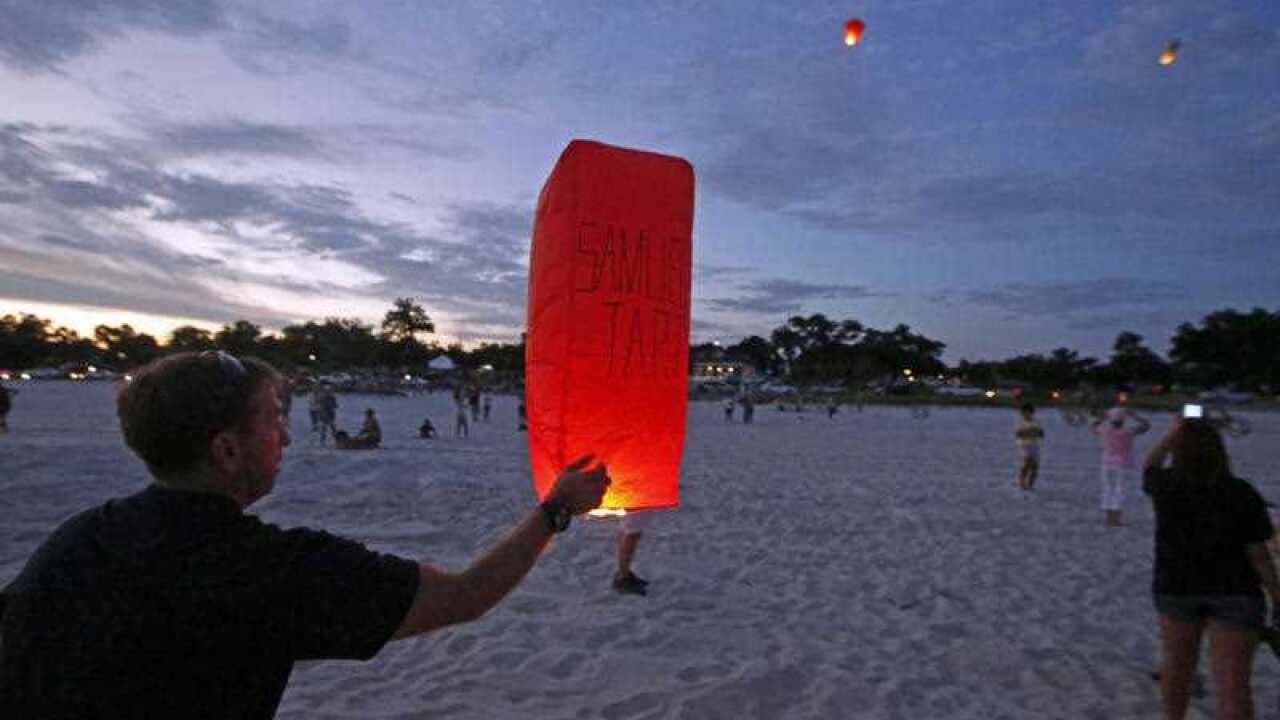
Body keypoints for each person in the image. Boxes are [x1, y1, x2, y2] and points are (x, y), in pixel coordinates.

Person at [0, 351, 610, 718]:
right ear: (227, 449)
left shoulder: (80, 539)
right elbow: (466, 596)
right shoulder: (268, 571)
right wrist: (555, 510)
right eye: (274, 419)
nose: (287, 437)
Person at [1143, 417, 1278, 720]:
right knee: (1233, 684)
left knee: (1177, 666)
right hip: (1236, 591)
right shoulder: (1241, 492)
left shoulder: (1166, 486)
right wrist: (1277, 595)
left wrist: (1172, 434)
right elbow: (1259, 555)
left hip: (1177, 588)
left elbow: (1149, 465)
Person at [1091, 406, 1151, 527]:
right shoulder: (1128, 432)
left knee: (1107, 490)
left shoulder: (1104, 430)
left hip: (1106, 464)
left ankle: (1109, 519)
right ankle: (1116, 520)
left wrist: (1103, 417)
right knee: (1120, 491)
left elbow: (1092, 426)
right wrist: (1134, 415)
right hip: (1123, 465)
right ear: (1123, 420)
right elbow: (1146, 426)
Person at [613, 511, 656, 597]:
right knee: (632, 532)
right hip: (638, 500)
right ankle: (623, 577)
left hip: (633, 500)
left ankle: (623, 573)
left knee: (628, 528)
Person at [1014, 403, 1044, 491]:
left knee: (1035, 466)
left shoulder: (1036, 421)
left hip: (1035, 445)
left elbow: (1041, 434)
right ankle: (1022, 482)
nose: (1026, 414)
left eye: (1028, 412)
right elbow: (1018, 434)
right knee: (1027, 462)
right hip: (1024, 445)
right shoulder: (1020, 422)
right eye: (1024, 412)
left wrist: (1033, 432)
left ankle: (1030, 484)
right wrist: (1030, 432)